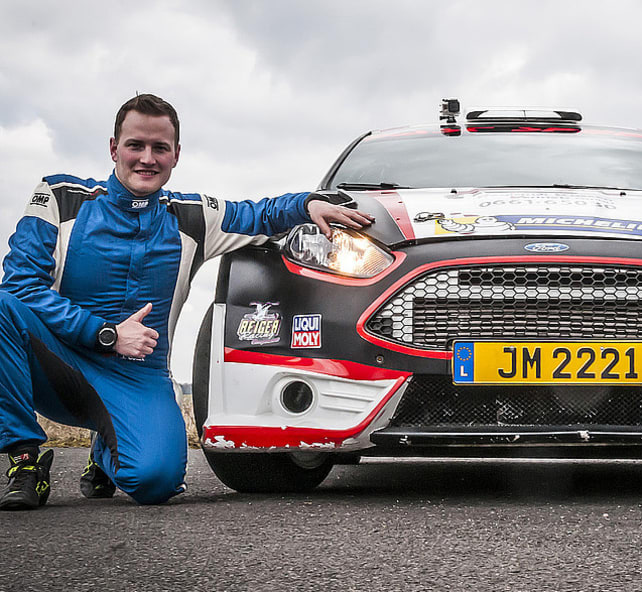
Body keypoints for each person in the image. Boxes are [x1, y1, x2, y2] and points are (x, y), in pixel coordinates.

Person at [0, 94, 374, 510]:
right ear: (114, 148)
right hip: (59, 363)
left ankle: (107, 447)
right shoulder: (59, 197)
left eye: (159, 148)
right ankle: (25, 462)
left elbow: (260, 214)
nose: (147, 158)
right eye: (135, 145)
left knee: (155, 482)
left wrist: (307, 204)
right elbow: (20, 286)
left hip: (137, 376)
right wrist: (106, 334)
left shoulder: (191, 216)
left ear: (176, 155)